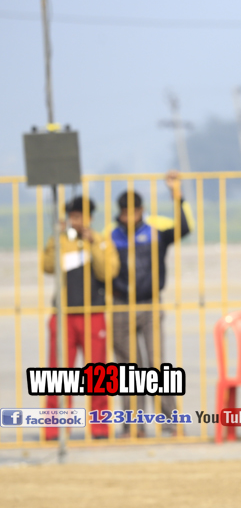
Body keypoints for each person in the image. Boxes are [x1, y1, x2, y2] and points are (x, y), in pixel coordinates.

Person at [111, 171, 190, 437]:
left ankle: (172, 422)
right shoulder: (111, 237)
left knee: (157, 365)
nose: (129, 217)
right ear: (120, 213)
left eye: (133, 212)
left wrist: (176, 194)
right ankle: (133, 426)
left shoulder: (155, 233)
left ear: (141, 211)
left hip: (150, 304)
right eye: (125, 213)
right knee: (129, 369)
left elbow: (184, 228)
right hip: (121, 305)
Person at [41, 196, 119, 440]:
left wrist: (93, 243)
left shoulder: (101, 241)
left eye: (80, 216)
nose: (76, 221)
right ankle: (55, 428)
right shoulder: (60, 241)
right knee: (58, 375)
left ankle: (100, 427)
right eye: (73, 216)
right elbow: (47, 266)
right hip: (64, 315)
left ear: (90, 218)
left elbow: (108, 272)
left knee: (98, 374)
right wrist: (56, 239)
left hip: (93, 314)